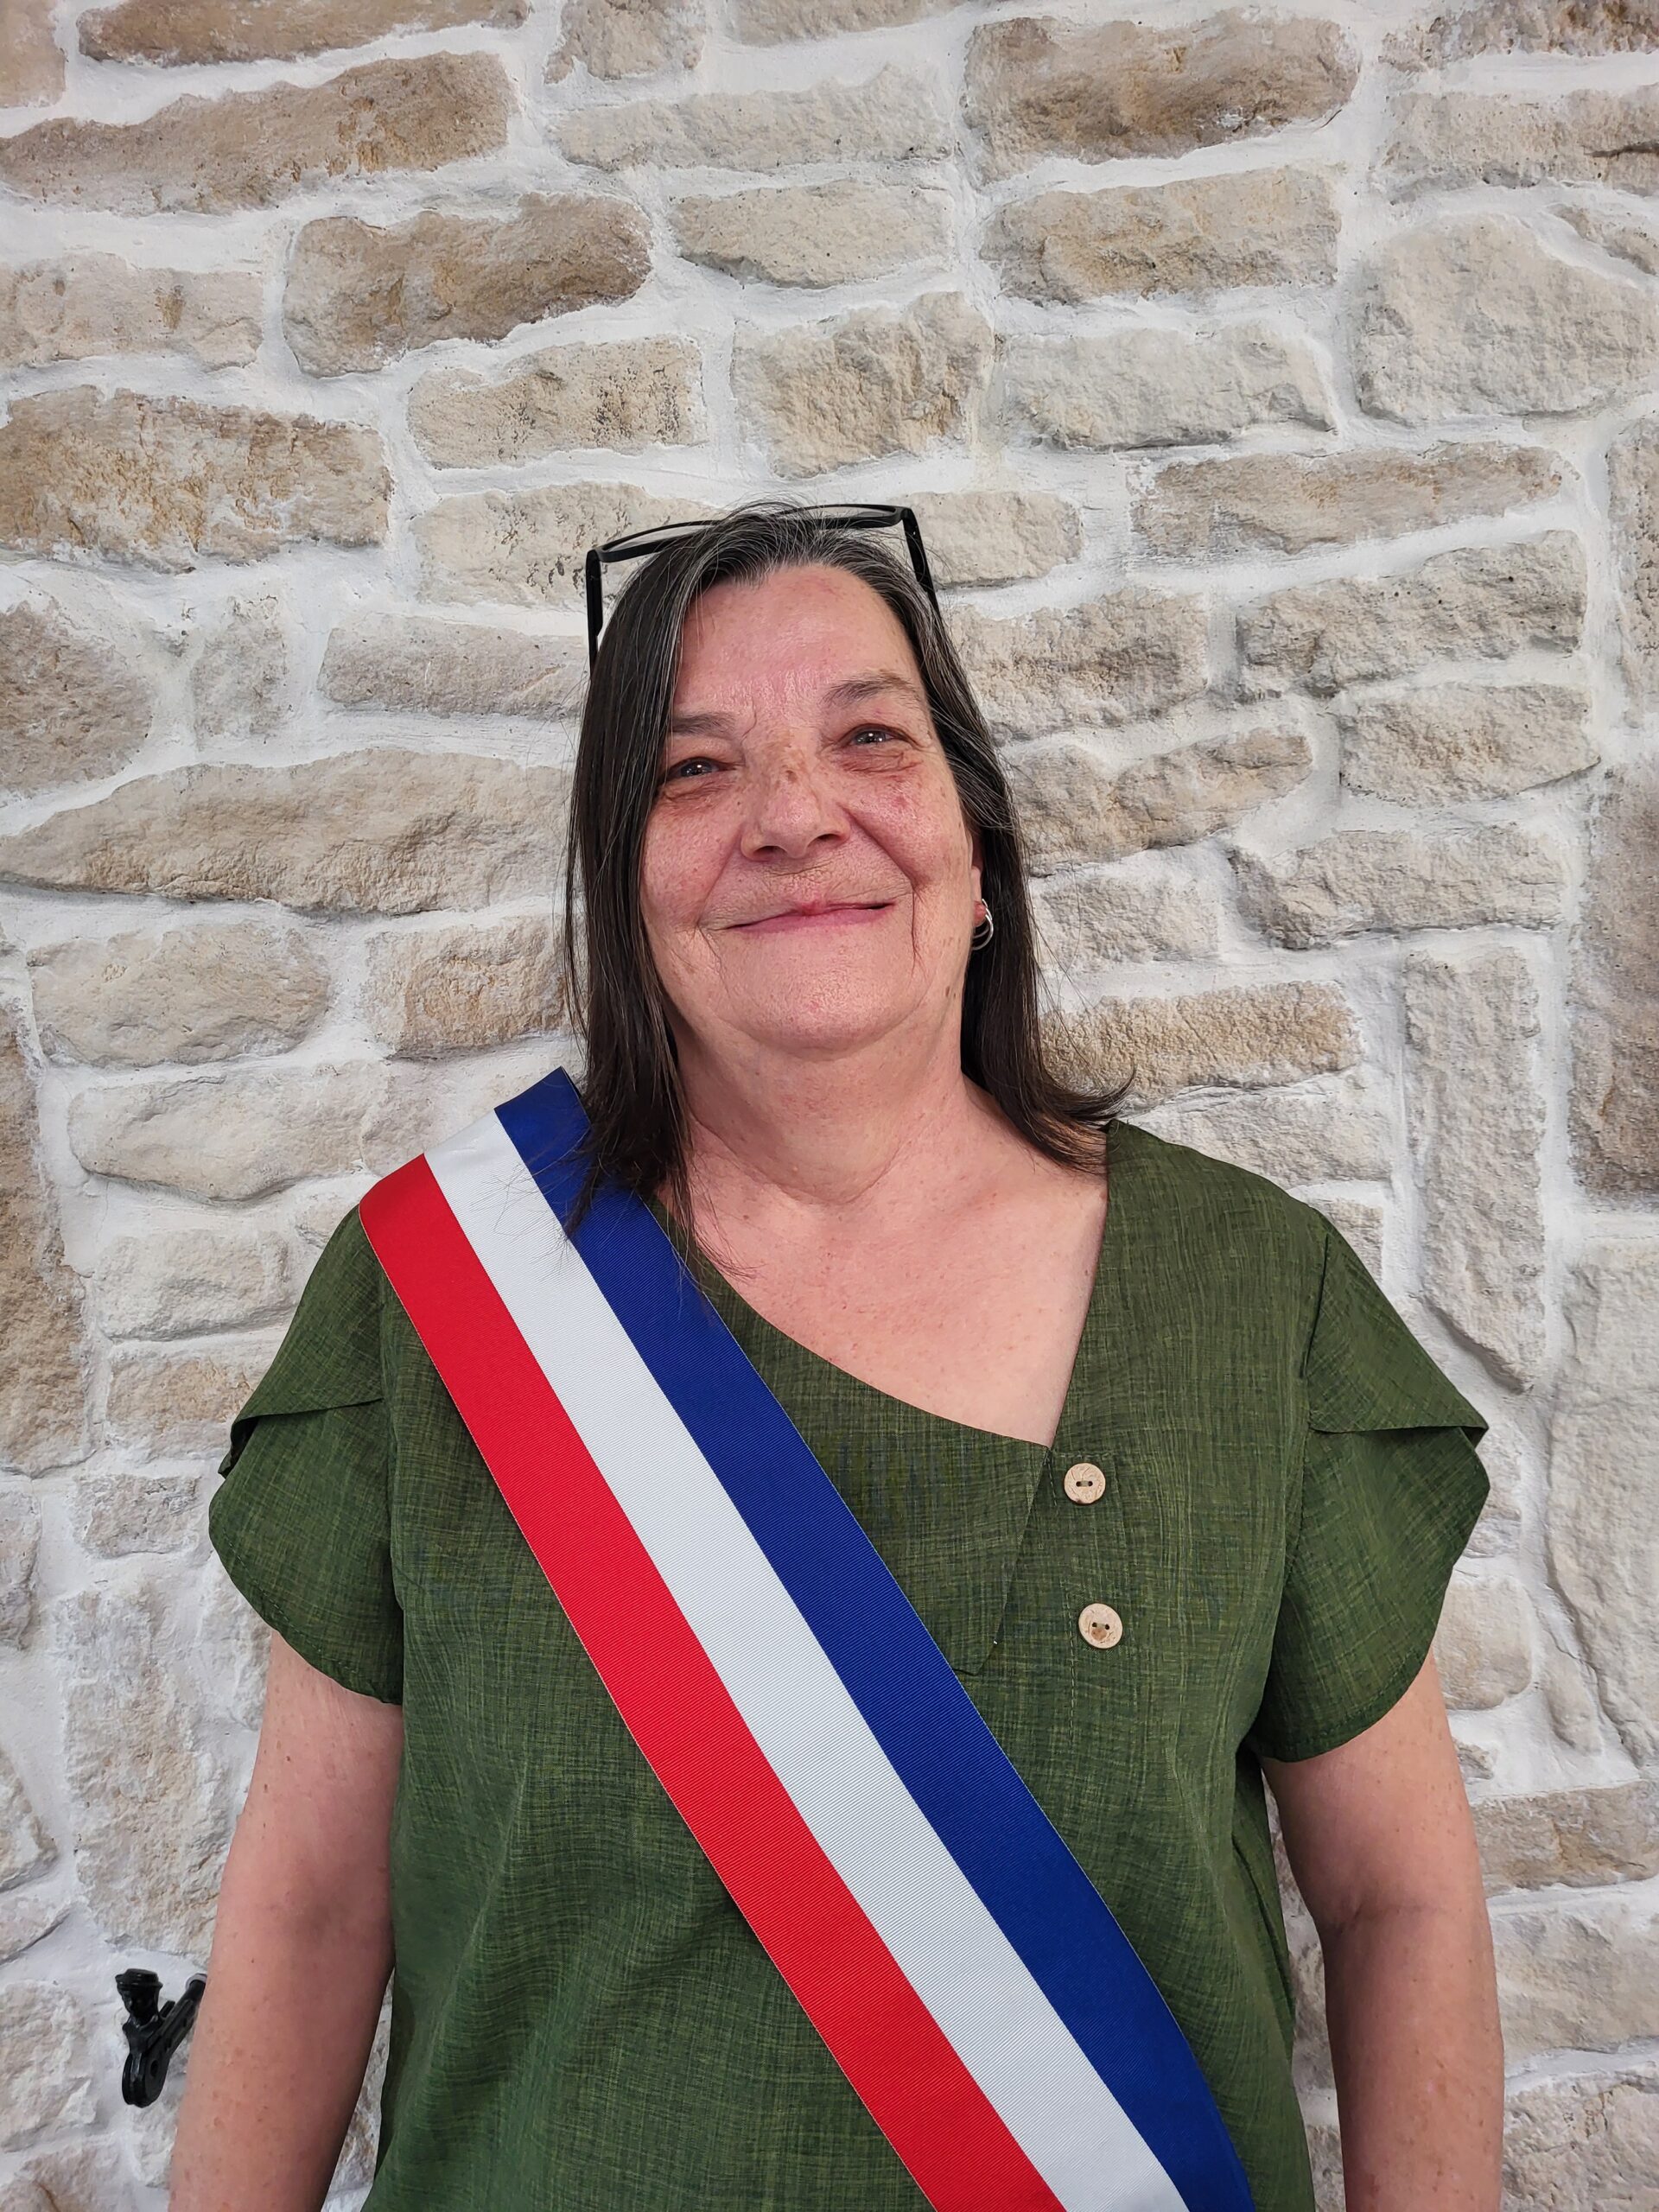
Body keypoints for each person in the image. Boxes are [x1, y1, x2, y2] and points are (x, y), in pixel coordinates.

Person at [171, 501, 1503, 2211]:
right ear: (622, 888)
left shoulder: (1251, 1299)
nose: (797, 815)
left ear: (976, 847)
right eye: (695, 769)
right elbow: (308, 1910)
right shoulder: (434, 1300)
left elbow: (1401, 1901)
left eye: (871, 738)